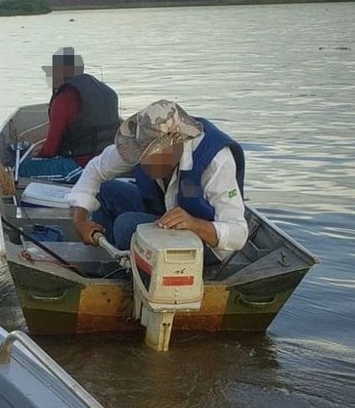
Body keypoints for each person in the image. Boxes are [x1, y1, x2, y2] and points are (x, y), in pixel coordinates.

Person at [66, 99, 248, 263]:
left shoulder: (216, 160)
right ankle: (112, 262)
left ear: (178, 144)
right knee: (107, 190)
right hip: (162, 213)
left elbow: (238, 233)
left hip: (203, 244)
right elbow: (96, 169)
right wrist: (80, 220)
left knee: (126, 226)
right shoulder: (142, 140)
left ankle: (132, 270)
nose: (144, 163)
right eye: (141, 156)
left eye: (153, 156)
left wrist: (194, 224)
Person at [17, 47, 120, 183]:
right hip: (111, 163)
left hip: (80, 168)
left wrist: (37, 154)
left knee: (20, 167)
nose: (51, 75)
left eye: (53, 70)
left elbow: (50, 151)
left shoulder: (62, 100)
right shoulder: (109, 92)